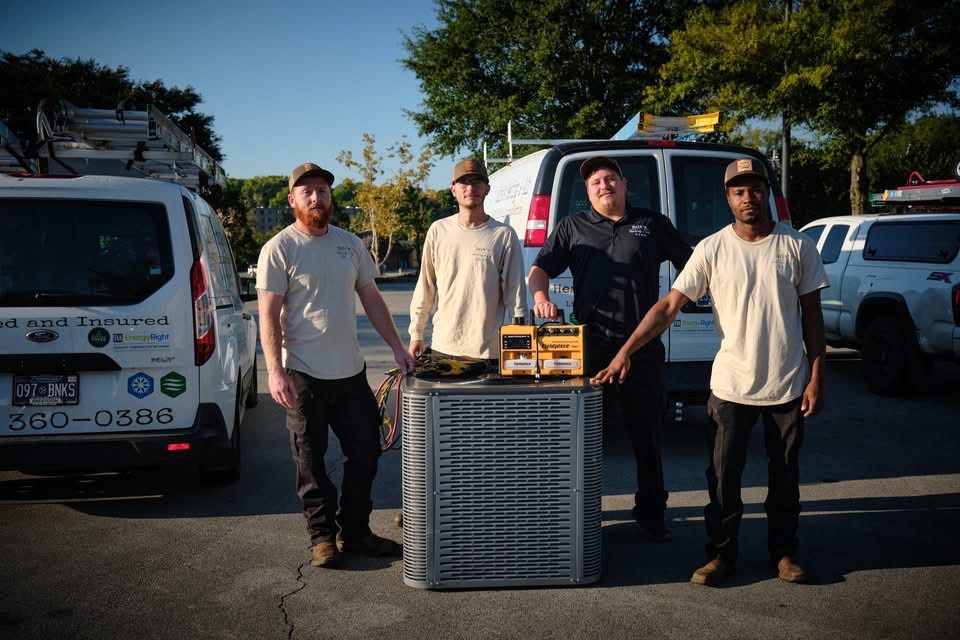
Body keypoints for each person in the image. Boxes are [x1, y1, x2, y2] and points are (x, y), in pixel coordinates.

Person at [592, 157, 828, 586]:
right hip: (730, 385)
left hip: (788, 384)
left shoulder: (797, 247)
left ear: (766, 194)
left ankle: (785, 553)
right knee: (722, 481)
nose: (748, 197)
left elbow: (812, 318)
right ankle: (720, 556)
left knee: (785, 479)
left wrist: (817, 375)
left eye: (755, 189)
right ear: (728, 199)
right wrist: (626, 351)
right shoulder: (713, 249)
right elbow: (667, 307)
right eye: (739, 191)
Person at [257, 162, 416, 569]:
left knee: (365, 455)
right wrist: (274, 370)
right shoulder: (280, 248)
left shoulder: (350, 245)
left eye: (323, 190)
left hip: (351, 374)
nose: (316, 197)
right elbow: (269, 316)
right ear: (292, 200)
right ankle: (322, 538)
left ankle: (357, 532)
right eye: (307, 191)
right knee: (310, 464)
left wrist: (397, 347)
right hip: (303, 376)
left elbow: (373, 300)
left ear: (331, 198)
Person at [529, 156, 692, 542]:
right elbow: (540, 269)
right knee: (583, 441)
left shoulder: (651, 224)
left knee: (647, 439)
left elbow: (693, 266)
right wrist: (540, 295)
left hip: (644, 351)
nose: (604, 185)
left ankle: (651, 514)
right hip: (591, 353)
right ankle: (582, 515)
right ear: (587, 193)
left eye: (610, 178)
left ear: (624, 183)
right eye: (595, 182)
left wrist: (674, 301)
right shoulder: (572, 227)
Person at [408, 159, 527, 360]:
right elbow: (425, 287)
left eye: (476, 181)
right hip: (444, 347)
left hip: (488, 352)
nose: (470, 188)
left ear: (487, 188)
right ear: (453, 189)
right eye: (464, 182)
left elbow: (515, 294)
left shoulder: (503, 235)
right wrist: (416, 333)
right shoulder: (439, 230)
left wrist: (521, 342)